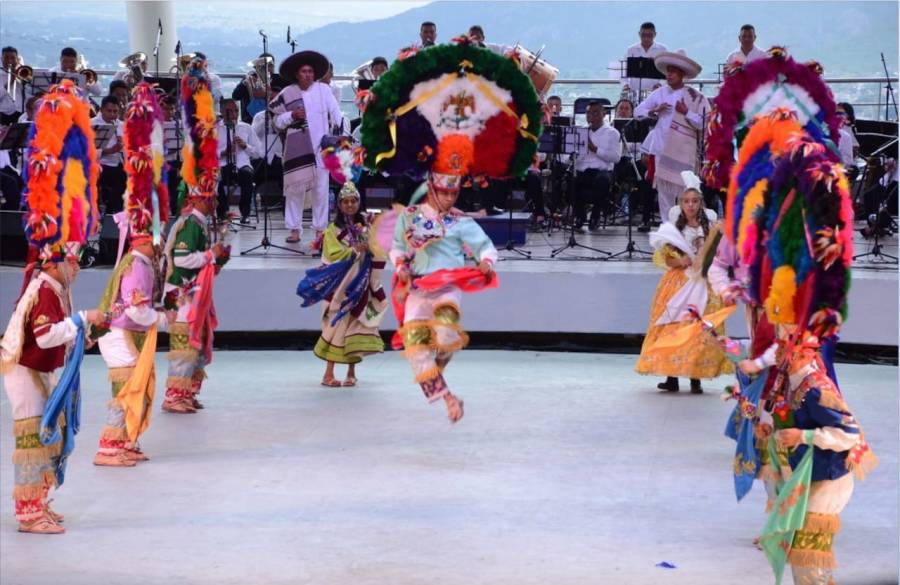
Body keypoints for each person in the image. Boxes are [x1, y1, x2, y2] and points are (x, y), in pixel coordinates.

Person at [0, 79, 103, 534]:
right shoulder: (45, 288)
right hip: (26, 368)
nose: (77, 266)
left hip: (36, 367)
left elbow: (61, 329)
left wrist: (86, 327)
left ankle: (39, 500)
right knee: (32, 436)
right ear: (56, 259)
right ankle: (28, 514)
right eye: (73, 259)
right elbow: (45, 335)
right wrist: (81, 321)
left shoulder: (51, 284)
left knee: (49, 433)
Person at [94, 83, 170, 466]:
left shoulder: (138, 262)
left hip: (126, 336)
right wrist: (166, 316)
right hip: (124, 337)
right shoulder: (139, 267)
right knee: (125, 391)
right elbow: (137, 311)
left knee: (134, 390)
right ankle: (109, 447)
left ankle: (124, 442)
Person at [162, 56, 230, 414]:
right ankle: (175, 396)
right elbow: (184, 259)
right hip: (182, 293)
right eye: (210, 192)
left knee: (197, 339)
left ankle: (187, 391)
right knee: (184, 342)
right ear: (198, 196)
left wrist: (216, 258)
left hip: (194, 293)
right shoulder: (190, 224)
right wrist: (209, 256)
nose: (214, 196)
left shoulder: (201, 223)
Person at [635, 172, 733, 392]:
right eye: (687, 202)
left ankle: (695, 377)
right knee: (673, 327)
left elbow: (720, 255)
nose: (690, 205)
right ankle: (672, 377)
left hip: (702, 283)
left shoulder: (709, 226)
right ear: (681, 204)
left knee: (697, 330)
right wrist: (681, 261)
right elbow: (665, 258)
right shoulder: (675, 228)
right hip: (679, 282)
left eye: (695, 201)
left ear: (701, 203)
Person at [298, 177, 387, 386]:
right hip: (339, 288)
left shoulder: (367, 226)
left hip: (360, 285)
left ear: (358, 202)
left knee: (354, 327)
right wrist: (354, 250)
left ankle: (351, 372)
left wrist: (371, 248)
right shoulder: (332, 230)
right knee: (335, 326)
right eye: (345, 201)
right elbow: (331, 254)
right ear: (339, 205)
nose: (349, 205)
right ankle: (328, 374)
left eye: (353, 201)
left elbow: (379, 250)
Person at [271, 50, 346, 245]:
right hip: (297, 152)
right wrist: (291, 116)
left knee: (320, 192)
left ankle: (320, 232)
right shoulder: (287, 93)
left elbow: (336, 113)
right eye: (304, 71)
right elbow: (277, 121)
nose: (308, 75)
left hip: (320, 150)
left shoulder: (324, 90)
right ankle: (294, 230)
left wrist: (345, 136)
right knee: (295, 191)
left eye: (311, 71)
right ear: (297, 74)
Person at [634, 49, 710, 222]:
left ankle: (687, 230)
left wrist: (686, 112)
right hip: (661, 149)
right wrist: (654, 111)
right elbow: (638, 111)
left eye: (673, 71)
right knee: (664, 195)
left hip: (683, 151)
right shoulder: (659, 93)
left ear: (682, 74)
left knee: (687, 192)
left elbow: (704, 122)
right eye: (668, 71)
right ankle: (668, 232)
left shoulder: (694, 96)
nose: (669, 74)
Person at [574, 101, 620, 231]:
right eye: (588, 113)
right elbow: (570, 157)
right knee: (572, 179)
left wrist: (595, 149)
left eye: (595, 113)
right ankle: (579, 216)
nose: (591, 116)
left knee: (603, 181)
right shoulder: (581, 131)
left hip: (602, 170)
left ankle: (595, 215)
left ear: (603, 114)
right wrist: (577, 153)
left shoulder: (612, 133)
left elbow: (616, 158)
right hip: (583, 169)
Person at [612, 98, 655, 231]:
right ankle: (610, 209)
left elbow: (644, 147)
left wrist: (628, 146)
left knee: (646, 176)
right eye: (621, 108)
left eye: (626, 109)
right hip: (617, 161)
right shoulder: (610, 126)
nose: (623, 111)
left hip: (635, 161)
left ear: (632, 112)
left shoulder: (638, 126)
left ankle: (641, 212)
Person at [217, 98, 261, 223]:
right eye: (229, 111)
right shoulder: (215, 128)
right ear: (222, 111)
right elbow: (208, 153)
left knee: (247, 175)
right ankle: (223, 213)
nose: (234, 115)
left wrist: (245, 146)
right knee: (216, 179)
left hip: (242, 164)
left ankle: (245, 213)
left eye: (236, 111)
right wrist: (223, 153)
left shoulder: (246, 127)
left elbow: (258, 152)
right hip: (222, 164)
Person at [92, 95, 126, 214]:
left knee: (123, 184)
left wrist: (123, 146)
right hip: (99, 165)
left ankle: (112, 215)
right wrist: (108, 151)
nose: (112, 114)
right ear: (101, 110)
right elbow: (87, 149)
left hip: (117, 163)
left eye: (115, 111)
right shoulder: (92, 124)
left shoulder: (121, 125)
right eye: (109, 111)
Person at [621, 22, 667, 101]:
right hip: (634, 92)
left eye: (649, 35)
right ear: (639, 34)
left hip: (655, 93)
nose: (646, 38)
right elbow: (623, 70)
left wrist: (660, 84)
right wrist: (625, 85)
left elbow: (666, 71)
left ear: (655, 34)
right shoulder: (631, 49)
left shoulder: (662, 49)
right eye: (643, 35)